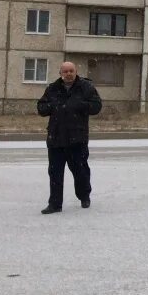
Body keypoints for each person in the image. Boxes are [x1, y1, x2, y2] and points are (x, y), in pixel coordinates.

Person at [37, 62, 102, 214]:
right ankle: (55, 204)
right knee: (55, 173)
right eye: (65, 71)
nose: (68, 74)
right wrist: (51, 106)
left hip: (77, 139)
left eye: (71, 71)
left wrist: (80, 105)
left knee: (80, 171)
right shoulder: (52, 88)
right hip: (56, 138)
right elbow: (41, 108)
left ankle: (84, 196)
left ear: (76, 71)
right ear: (60, 73)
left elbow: (97, 106)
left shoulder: (85, 87)